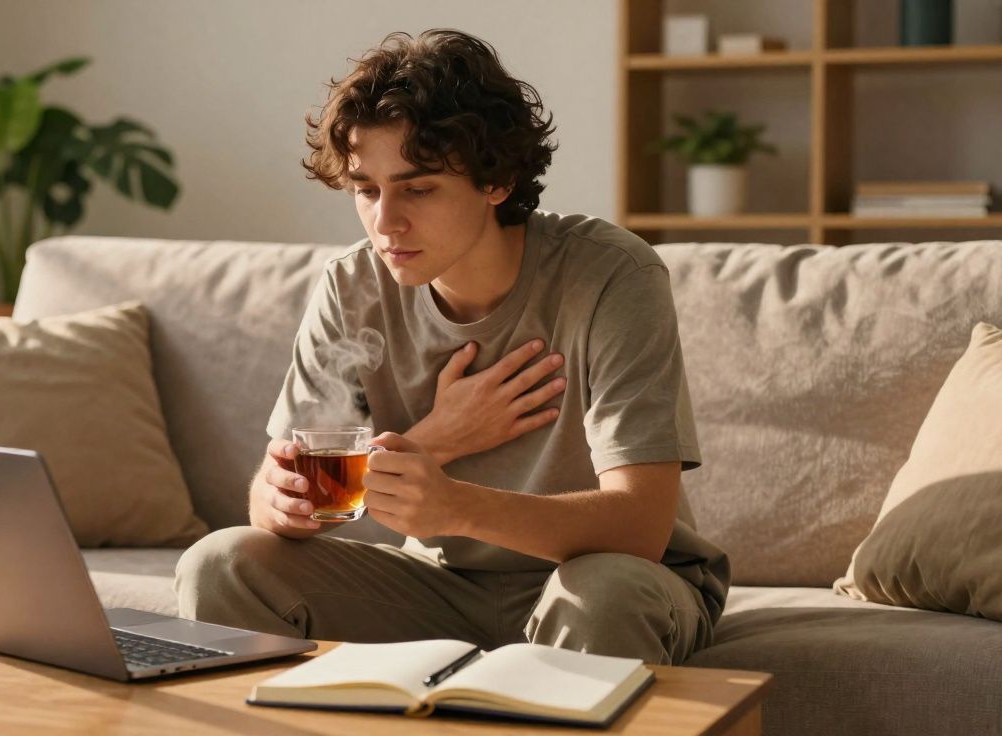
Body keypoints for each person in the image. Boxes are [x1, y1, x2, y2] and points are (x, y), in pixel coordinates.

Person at [174, 28, 729, 665]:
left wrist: (456, 505)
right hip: (439, 587)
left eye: (418, 188)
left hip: (612, 579)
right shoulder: (352, 287)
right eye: (366, 190)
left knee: (601, 593)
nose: (386, 222)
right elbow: (285, 501)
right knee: (221, 563)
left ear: (496, 181)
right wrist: (281, 500)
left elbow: (639, 529)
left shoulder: (611, 276)